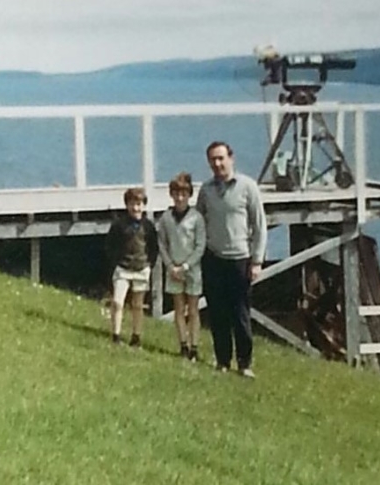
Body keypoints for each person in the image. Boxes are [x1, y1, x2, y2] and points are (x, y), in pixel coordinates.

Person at [196, 141, 267, 378]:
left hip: (240, 259)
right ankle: (223, 361)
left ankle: (244, 364)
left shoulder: (247, 187)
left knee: (240, 314)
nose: (217, 164)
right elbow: (199, 222)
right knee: (217, 313)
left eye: (221, 158)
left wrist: (257, 261)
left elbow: (259, 226)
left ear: (231, 158)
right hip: (213, 258)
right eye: (213, 160)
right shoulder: (206, 190)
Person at [157, 172, 206, 361]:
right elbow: (162, 243)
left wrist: (185, 266)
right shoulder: (166, 218)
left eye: (183, 194)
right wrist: (170, 266)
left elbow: (200, 245)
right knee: (179, 309)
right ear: (171, 194)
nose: (179, 198)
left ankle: (194, 346)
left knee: (193, 310)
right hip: (173, 269)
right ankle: (183, 345)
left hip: (191, 269)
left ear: (189, 195)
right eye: (176, 194)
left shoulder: (196, 218)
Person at [104, 187, 158, 348]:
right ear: (127, 205)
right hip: (123, 268)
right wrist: (116, 262)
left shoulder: (148, 226)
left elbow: (153, 247)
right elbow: (110, 245)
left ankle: (136, 336)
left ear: (144, 205)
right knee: (117, 302)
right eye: (132, 204)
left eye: (139, 204)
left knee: (138, 305)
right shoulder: (119, 224)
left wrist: (149, 264)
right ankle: (116, 335)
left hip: (141, 268)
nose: (135, 208)